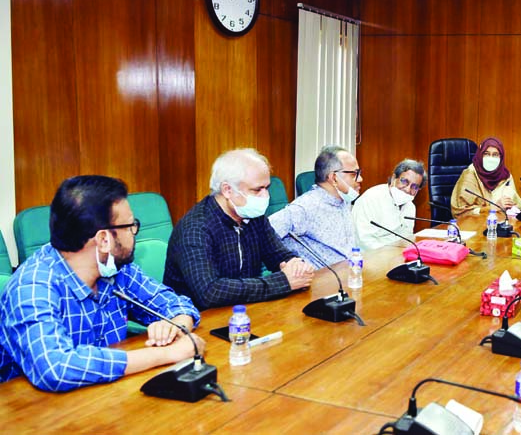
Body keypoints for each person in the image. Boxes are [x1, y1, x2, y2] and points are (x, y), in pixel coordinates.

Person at [0, 176, 203, 392]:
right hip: (35, 414)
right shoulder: (31, 288)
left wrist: (177, 326)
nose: (134, 233)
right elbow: (55, 367)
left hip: (104, 397)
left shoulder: (115, 269)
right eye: (130, 226)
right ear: (104, 239)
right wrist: (166, 354)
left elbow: (176, 304)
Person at [164, 148, 314, 310]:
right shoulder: (195, 229)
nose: (265, 196)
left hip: (246, 310)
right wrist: (283, 282)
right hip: (199, 320)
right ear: (228, 190)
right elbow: (210, 292)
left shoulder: (254, 216)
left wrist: (296, 266)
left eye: (267, 188)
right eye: (257, 190)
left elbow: (278, 255)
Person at [269, 145, 362, 268]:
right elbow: (264, 234)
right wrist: (289, 262)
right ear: (334, 178)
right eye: (354, 174)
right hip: (322, 282)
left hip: (348, 275)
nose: (360, 179)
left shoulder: (341, 201)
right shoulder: (305, 207)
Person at [352, 159, 426, 251]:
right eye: (404, 181)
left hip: (397, 255)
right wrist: (390, 255)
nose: (407, 189)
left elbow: (406, 240)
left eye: (414, 187)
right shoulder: (371, 198)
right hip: (370, 257)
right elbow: (364, 241)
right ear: (393, 178)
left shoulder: (410, 207)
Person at [450, 137, 521, 217]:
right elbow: (460, 212)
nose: (491, 158)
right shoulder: (470, 174)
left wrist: (511, 206)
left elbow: (516, 206)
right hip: (474, 224)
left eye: (495, 155)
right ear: (480, 155)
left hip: (500, 222)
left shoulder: (505, 176)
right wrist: (492, 208)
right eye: (486, 154)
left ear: (501, 158)